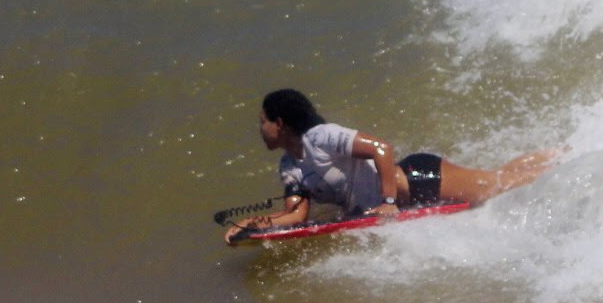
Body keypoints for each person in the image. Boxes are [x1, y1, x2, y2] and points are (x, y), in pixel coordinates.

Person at [223, 88, 559, 244]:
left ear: (280, 124)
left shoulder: (322, 138)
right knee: (499, 180)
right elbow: (297, 216)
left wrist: (386, 203)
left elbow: (381, 148)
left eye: (262, 122)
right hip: (403, 198)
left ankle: (565, 162)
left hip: (418, 180)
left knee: (501, 186)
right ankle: (553, 156)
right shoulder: (290, 167)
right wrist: (251, 225)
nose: (260, 129)